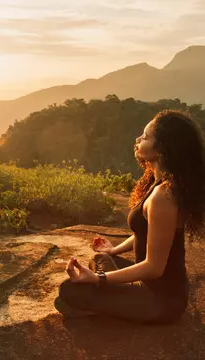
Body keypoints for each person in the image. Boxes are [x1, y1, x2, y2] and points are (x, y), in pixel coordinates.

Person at [55, 110, 205, 323]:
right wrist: (114, 250)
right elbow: (152, 233)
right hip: (149, 287)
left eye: (145, 137)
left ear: (161, 149)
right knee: (101, 257)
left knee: (69, 290)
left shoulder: (164, 196)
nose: (138, 139)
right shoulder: (159, 185)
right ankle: (109, 300)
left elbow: (153, 268)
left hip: (161, 301)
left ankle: (105, 303)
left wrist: (100, 279)